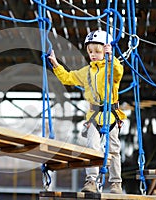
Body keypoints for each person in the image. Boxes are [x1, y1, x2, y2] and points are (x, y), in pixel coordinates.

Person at [48, 30, 127, 194]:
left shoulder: (111, 69)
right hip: (94, 117)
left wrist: (110, 57)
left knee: (114, 150)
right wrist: (55, 64)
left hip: (111, 116)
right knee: (92, 148)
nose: (93, 55)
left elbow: (118, 72)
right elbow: (68, 78)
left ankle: (116, 183)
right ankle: (91, 180)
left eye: (97, 52)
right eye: (90, 51)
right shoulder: (86, 72)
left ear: (105, 51)